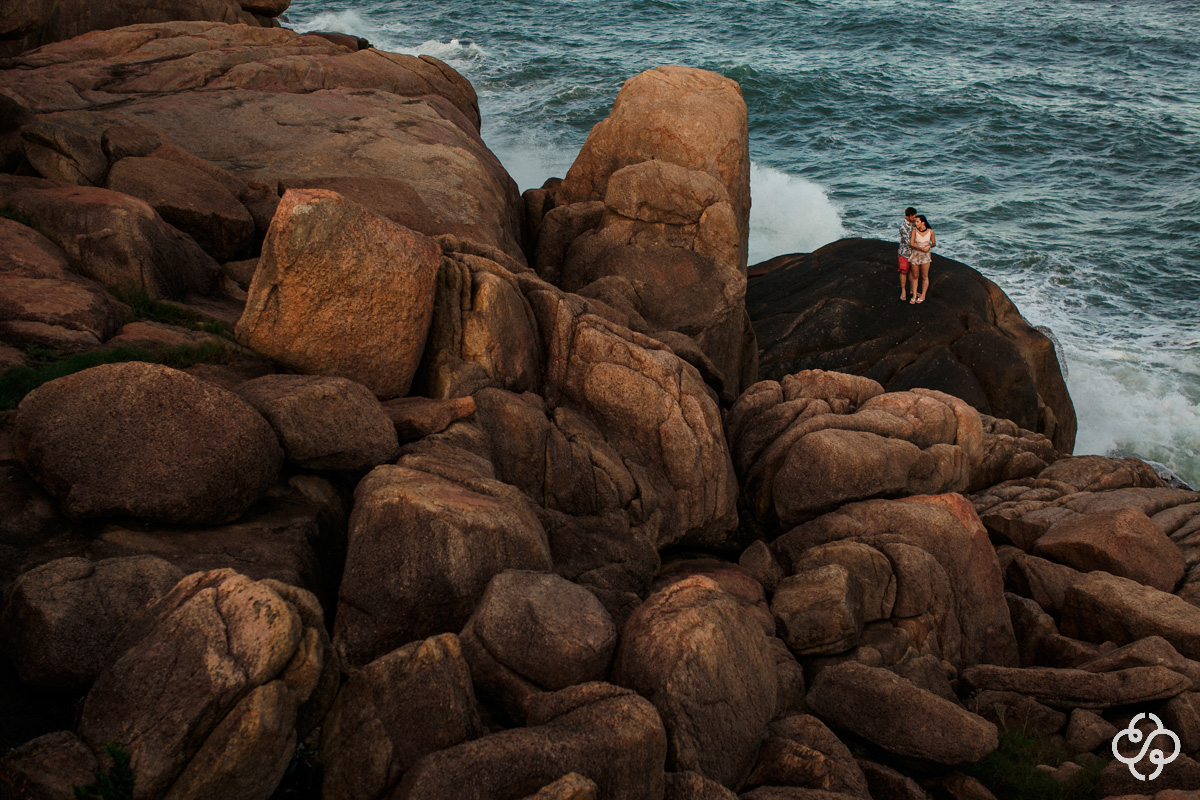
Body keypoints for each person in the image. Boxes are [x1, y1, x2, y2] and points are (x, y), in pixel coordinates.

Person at [908, 214, 935, 304]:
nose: (915, 223)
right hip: (916, 254)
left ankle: (923, 295)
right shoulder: (914, 231)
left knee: (924, 276)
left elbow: (934, 243)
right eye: (915, 221)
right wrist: (921, 248)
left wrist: (929, 246)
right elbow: (911, 243)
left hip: (925, 255)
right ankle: (914, 295)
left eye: (917, 221)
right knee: (915, 276)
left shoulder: (930, 231)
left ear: (923, 222)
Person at [898, 207, 917, 301]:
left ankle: (912, 290)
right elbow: (908, 241)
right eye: (913, 216)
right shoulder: (903, 227)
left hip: (913, 252)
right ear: (907, 216)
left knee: (912, 272)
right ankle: (903, 290)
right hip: (904, 252)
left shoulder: (915, 224)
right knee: (903, 271)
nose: (914, 218)